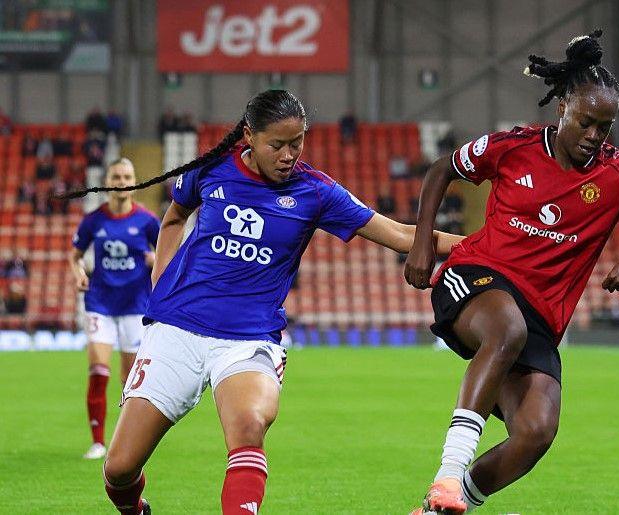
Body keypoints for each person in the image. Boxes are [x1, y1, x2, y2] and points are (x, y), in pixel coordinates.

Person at [63, 89, 463, 515]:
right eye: (278, 145)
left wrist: (493, 246)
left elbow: (403, 236)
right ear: (250, 136)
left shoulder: (316, 191)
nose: (289, 155)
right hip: (176, 328)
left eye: (298, 143)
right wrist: (160, 283)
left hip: (248, 339)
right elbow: (175, 216)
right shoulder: (212, 168)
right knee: (120, 468)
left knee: (249, 425)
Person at [404, 30, 619, 514]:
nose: (594, 136)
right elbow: (442, 170)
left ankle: (437, 511)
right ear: (562, 107)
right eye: (586, 122)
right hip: (476, 277)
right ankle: (447, 474)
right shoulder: (514, 145)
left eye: (604, 127)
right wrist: (422, 244)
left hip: (539, 318)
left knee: (536, 432)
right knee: (505, 329)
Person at [68, 158, 160, 460]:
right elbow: (75, 255)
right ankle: (97, 442)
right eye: (116, 176)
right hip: (100, 303)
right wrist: (79, 272)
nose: (122, 181)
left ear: (134, 181)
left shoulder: (147, 221)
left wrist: (155, 260)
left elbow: (168, 254)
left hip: (135, 306)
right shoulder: (94, 220)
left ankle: (125, 443)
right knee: (98, 371)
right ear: (108, 181)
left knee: (130, 382)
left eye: (127, 176)